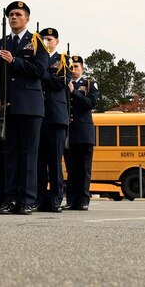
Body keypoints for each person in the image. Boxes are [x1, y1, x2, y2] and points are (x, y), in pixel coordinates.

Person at [0, 1, 48, 215]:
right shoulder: (0, 43)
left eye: (18, 14)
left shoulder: (36, 41)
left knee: (28, 154)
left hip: (30, 106)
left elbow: (40, 70)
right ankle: (11, 198)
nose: (13, 17)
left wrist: (14, 61)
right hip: (8, 105)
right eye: (10, 14)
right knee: (10, 154)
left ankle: (27, 200)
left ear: (27, 18)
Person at [36, 27, 70, 212]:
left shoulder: (62, 60)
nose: (47, 42)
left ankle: (56, 197)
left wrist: (41, 73)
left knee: (55, 161)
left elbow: (61, 81)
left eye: (49, 39)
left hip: (55, 116)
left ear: (56, 41)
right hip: (37, 115)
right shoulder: (37, 58)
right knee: (39, 161)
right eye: (43, 39)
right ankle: (39, 198)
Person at [65, 55, 99, 210]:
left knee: (84, 168)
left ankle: (83, 200)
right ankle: (71, 200)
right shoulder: (64, 83)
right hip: (69, 132)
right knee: (71, 168)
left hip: (84, 132)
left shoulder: (90, 84)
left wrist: (74, 92)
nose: (74, 69)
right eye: (71, 67)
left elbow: (89, 103)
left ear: (83, 68)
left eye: (76, 66)